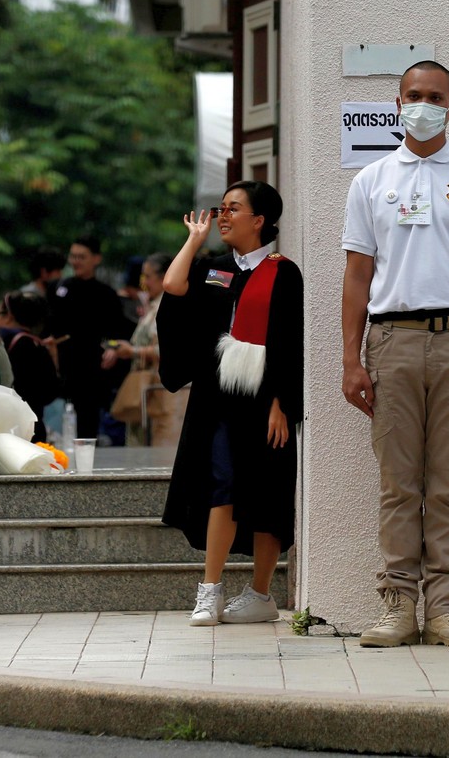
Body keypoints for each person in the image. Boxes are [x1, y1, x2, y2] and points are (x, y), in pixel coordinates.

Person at [341, 61, 449, 649]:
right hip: (390, 341)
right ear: (397, 102)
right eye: (414, 95)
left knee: (447, 483)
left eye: (435, 97)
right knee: (397, 482)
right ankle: (396, 606)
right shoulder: (370, 181)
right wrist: (350, 359)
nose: (423, 105)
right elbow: (357, 274)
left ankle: (444, 607)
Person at [158, 181, 303, 627]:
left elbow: (289, 340)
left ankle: (261, 594)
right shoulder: (213, 269)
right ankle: (210, 589)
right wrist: (193, 240)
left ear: (259, 220)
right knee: (220, 483)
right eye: (220, 208)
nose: (222, 216)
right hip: (218, 398)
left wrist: (284, 404)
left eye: (233, 209)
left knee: (266, 491)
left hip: (264, 401)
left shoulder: (284, 272)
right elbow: (172, 287)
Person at [51, 235, 135, 439]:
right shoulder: (60, 288)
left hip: (92, 372)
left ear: (96, 259)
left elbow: (119, 332)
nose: (76, 261)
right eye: (73, 256)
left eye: (81, 257)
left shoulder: (106, 295)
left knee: (88, 427)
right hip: (62, 368)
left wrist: (111, 348)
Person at [103, 253, 185, 447]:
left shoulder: (171, 305)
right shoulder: (153, 304)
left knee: (158, 449)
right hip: (146, 392)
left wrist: (134, 352)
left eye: (148, 277)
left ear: (164, 276)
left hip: (163, 394)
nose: (144, 283)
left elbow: (173, 350)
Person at [0, 290, 61, 442]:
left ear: (9, 316)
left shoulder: (0, 339)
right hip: (34, 429)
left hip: (5, 430)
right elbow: (50, 392)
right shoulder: (38, 346)